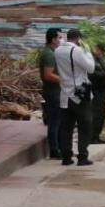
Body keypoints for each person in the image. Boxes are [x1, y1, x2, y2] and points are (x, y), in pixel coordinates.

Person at [54, 28, 95, 166]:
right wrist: (87, 51)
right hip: (79, 94)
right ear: (79, 39)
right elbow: (91, 68)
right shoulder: (77, 50)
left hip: (65, 94)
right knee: (85, 126)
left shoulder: (58, 50)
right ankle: (82, 156)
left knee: (66, 128)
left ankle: (66, 157)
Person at [39, 28, 63, 159]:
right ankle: (54, 150)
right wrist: (64, 80)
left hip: (56, 91)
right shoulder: (49, 54)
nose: (61, 40)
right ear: (53, 39)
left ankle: (59, 147)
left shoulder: (53, 52)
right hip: (53, 92)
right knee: (55, 121)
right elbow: (48, 75)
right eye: (59, 37)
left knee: (59, 121)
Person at [87, 42, 105, 144]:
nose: (101, 53)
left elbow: (103, 71)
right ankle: (92, 137)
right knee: (95, 114)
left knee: (101, 115)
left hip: (102, 89)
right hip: (95, 90)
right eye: (100, 51)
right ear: (96, 49)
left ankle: (97, 136)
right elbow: (92, 74)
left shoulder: (100, 59)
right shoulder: (90, 59)